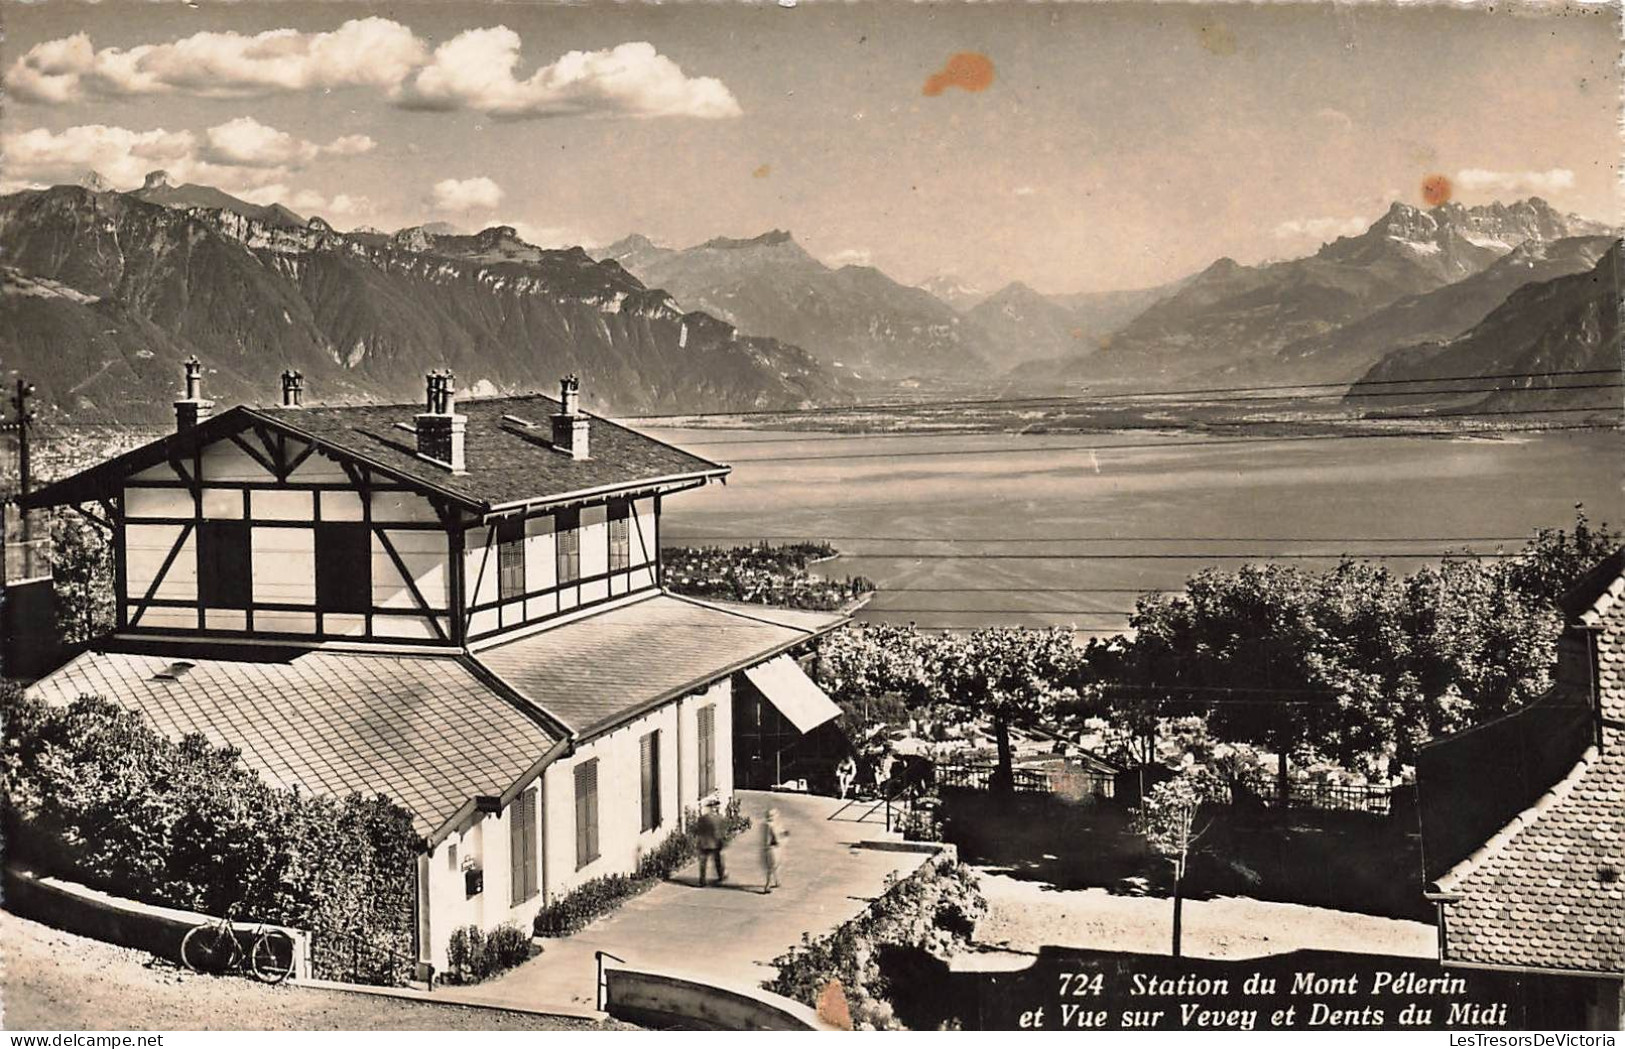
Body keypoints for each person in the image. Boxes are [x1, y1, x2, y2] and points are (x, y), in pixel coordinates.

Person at [694, 798, 726, 886]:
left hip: (704, 842)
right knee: (717, 861)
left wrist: (699, 841)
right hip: (715, 842)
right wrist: (722, 841)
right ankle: (720, 876)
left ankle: (702, 880)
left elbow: (698, 830)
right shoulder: (719, 818)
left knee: (703, 862)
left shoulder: (702, 818)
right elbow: (721, 831)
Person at [761, 807, 788, 893]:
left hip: (770, 847)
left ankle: (777, 881)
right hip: (772, 847)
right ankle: (767, 886)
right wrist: (783, 836)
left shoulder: (768, 825)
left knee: (774, 865)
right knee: (772, 866)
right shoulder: (771, 825)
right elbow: (775, 837)